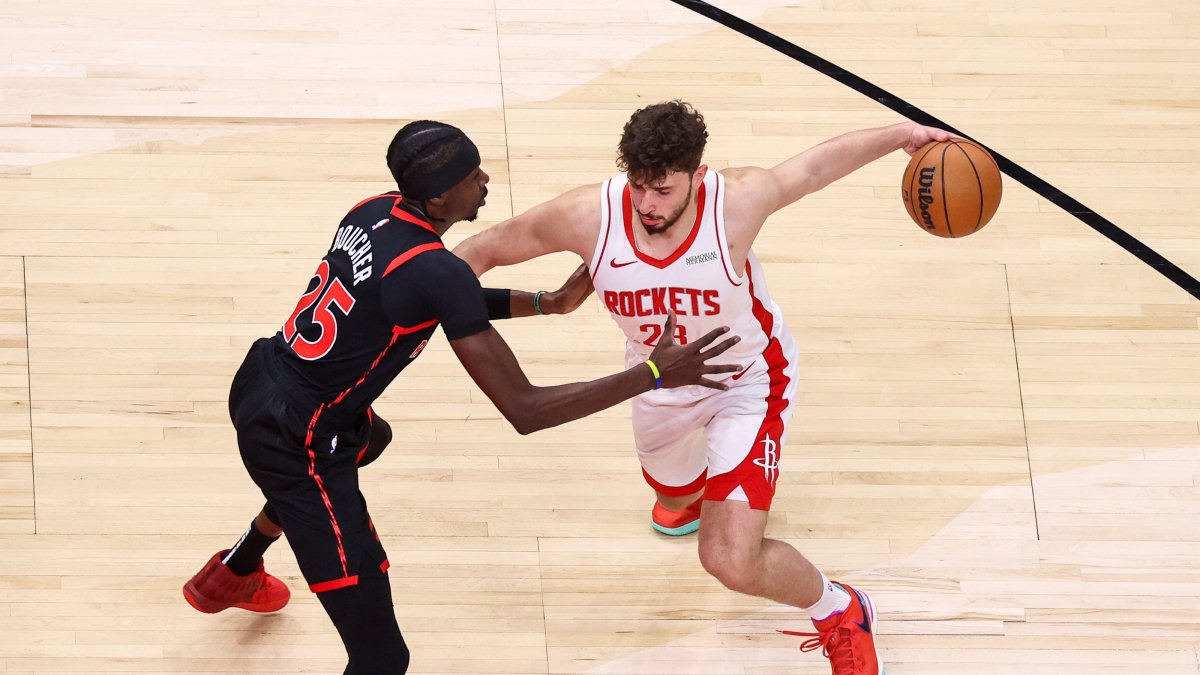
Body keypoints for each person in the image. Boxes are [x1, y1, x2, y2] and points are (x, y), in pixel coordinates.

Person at [181, 119, 740, 675]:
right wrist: (652, 373)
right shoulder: (435, 270)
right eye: (473, 176)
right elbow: (526, 410)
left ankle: (234, 570)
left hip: (263, 379)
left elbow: (430, 293)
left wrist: (550, 302)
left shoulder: (373, 210)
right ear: (440, 195)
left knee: (369, 437)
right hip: (298, 441)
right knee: (381, 657)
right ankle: (239, 568)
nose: (485, 181)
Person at [454, 101, 953, 675]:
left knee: (729, 561)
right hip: (658, 382)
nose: (647, 205)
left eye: (663, 190)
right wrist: (406, 312)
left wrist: (902, 135)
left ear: (697, 175)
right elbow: (478, 252)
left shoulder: (737, 201)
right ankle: (691, 496)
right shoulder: (588, 214)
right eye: (639, 186)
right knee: (672, 500)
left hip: (747, 383)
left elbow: (815, 169)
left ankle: (841, 611)